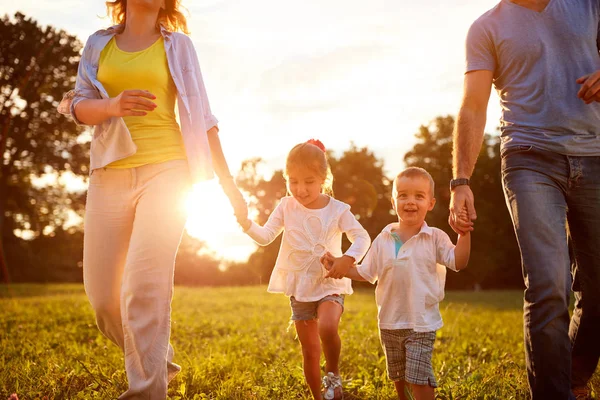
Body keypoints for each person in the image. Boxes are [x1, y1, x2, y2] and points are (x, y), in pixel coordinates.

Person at [57, 0, 246, 398]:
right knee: (104, 299)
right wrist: (112, 105)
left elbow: (204, 117)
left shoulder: (178, 46)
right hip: (109, 174)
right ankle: (158, 357)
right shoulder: (97, 44)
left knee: (144, 289)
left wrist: (229, 187)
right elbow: (76, 105)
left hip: (168, 172)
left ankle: (146, 390)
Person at [449, 1, 600, 398]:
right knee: (549, 283)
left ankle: (573, 376)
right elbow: (473, 106)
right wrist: (460, 180)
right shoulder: (486, 28)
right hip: (529, 158)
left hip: (595, 153)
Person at [235, 139, 371, 400]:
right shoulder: (286, 206)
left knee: (328, 327)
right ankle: (318, 398)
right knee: (309, 350)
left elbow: (362, 237)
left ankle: (333, 374)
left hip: (329, 283)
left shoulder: (338, 210)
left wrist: (347, 259)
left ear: (323, 178)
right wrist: (245, 223)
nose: (300, 189)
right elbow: (265, 236)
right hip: (299, 288)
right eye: (293, 181)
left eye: (308, 181)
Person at [321, 167, 471, 400]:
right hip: (389, 322)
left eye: (418, 196)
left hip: (421, 323)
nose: (410, 201)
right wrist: (339, 266)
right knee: (399, 377)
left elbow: (458, 261)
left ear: (430, 203)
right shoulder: (384, 237)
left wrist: (464, 234)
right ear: (393, 201)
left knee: (419, 379)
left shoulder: (434, 237)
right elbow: (365, 271)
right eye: (403, 195)